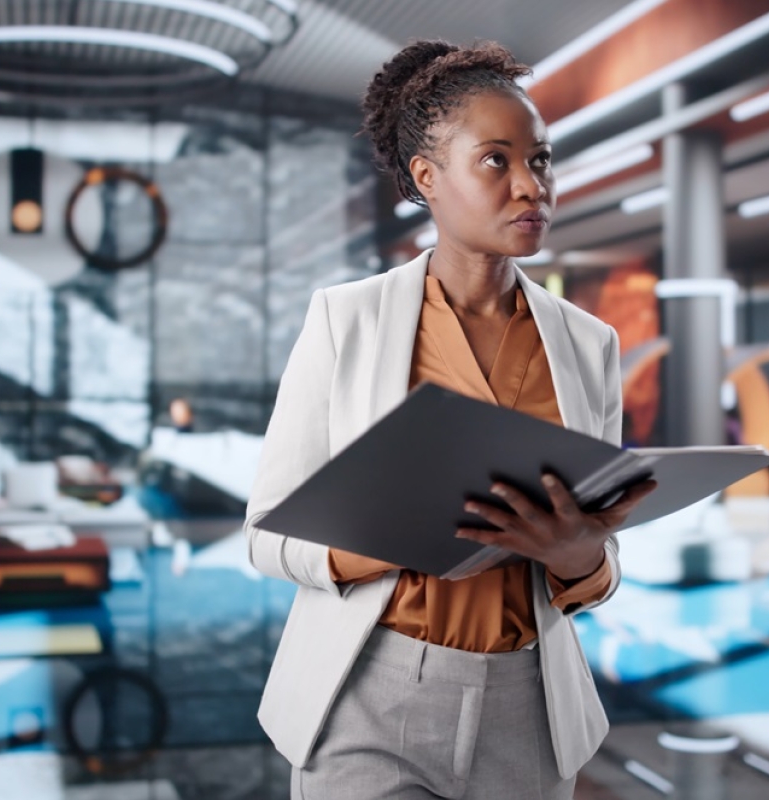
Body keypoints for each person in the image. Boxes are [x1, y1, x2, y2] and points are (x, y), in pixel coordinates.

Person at [245, 39, 657, 800]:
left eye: (542, 160)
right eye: (497, 161)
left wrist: (578, 559)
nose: (532, 186)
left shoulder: (589, 345)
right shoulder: (347, 322)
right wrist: (380, 545)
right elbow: (267, 531)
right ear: (427, 178)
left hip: (528, 712)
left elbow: (595, 569)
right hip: (371, 694)